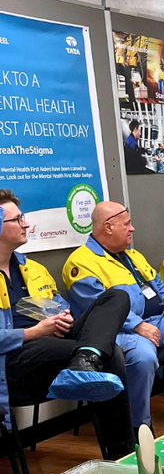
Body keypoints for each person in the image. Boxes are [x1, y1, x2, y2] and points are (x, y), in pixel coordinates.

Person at [0, 192, 136, 459]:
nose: (26, 224)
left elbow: (60, 304)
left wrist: (65, 317)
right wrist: (35, 331)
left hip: (52, 343)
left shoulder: (32, 268)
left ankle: (85, 360)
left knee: (117, 296)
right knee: (113, 354)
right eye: (18, 220)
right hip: (14, 360)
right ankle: (122, 455)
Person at [63, 202, 164, 431]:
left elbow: (157, 286)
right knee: (144, 356)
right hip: (116, 331)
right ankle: (139, 427)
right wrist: (138, 326)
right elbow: (99, 310)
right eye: (126, 224)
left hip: (157, 319)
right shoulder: (80, 263)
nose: (132, 228)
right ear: (108, 227)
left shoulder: (132, 255)